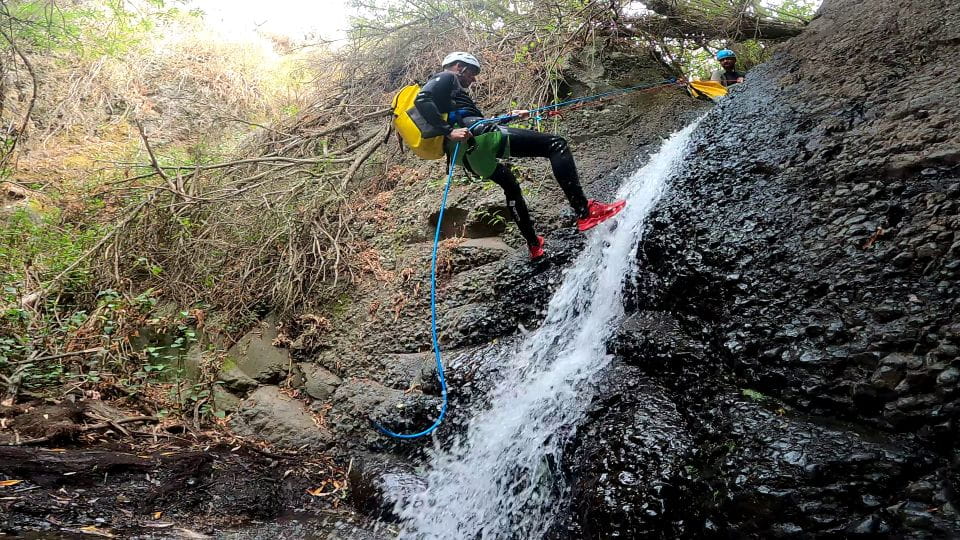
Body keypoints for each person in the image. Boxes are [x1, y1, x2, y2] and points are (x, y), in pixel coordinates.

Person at [412, 52, 625, 261]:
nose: (473, 78)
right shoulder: (447, 76)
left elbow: (470, 120)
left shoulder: (450, 97)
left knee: (511, 186)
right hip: (475, 139)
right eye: (472, 72)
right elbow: (422, 99)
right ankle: (585, 211)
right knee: (556, 145)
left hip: (468, 157)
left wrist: (508, 117)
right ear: (459, 66)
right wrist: (448, 130)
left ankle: (533, 244)